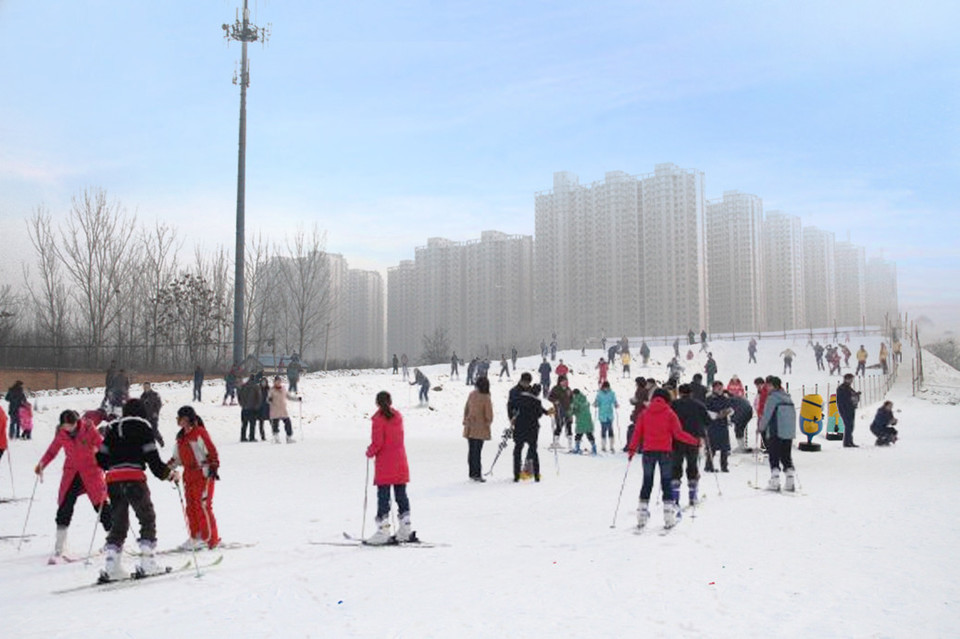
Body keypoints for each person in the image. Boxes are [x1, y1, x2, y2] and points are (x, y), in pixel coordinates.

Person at [96, 398, 179, 582]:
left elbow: (100, 459)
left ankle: (112, 566)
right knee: (147, 518)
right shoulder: (144, 427)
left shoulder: (112, 428)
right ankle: (147, 562)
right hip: (134, 479)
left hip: (113, 481)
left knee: (118, 523)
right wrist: (170, 474)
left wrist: (115, 462)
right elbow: (153, 460)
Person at [35, 409, 112, 563]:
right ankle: (60, 545)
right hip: (72, 473)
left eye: (70, 425)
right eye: (65, 426)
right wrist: (42, 464)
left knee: (100, 505)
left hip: (91, 471)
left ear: (76, 422)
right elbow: (52, 451)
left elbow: (102, 446)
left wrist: (108, 461)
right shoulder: (61, 434)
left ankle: (114, 538)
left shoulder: (88, 430)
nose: (68, 428)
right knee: (65, 504)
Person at [627, 388, 699, 529]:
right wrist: (694, 441)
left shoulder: (644, 413)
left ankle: (641, 514)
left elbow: (637, 433)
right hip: (665, 452)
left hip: (648, 452)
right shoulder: (670, 413)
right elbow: (678, 434)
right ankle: (668, 516)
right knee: (666, 483)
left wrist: (631, 449)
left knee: (647, 482)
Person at [167, 406, 220, 550]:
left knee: (202, 506)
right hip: (188, 475)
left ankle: (209, 538)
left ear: (186, 418)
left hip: (202, 473)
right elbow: (177, 458)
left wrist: (213, 466)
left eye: (179, 417)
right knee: (191, 507)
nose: (177, 420)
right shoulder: (181, 437)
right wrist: (166, 469)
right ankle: (195, 536)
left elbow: (211, 451)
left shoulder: (199, 433)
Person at [365, 391, 413, 545]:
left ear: (377, 403)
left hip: (385, 464)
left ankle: (383, 531)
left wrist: (370, 451)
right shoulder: (397, 416)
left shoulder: (378, 419)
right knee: (401, 495)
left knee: (383, 497)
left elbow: (378, 443)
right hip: (400, 461)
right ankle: (406, 529)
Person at [670, 384, 709, 507]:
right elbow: (708, 421)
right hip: (693, 440)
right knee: (692, 466)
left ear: (680, 393)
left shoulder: (674, 405)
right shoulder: (699, 405)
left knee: (676, 467)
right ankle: (693, 496)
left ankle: (675, 497)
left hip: (676, 440)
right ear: (691, 393)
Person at [759, 377, 797, 491]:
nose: (767, 388)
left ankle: (774, 481)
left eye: (769, 386)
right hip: (788, 432)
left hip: (776, 431)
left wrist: (761, 427)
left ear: (774, 386)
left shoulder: (772, 398)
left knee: (774, 455)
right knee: (786, 456)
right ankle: (790, 481)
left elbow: (767, 415)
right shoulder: (787, 397)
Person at [508, 382, 551, 482]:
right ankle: (536, 475)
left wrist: (511, 417)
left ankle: (516, 475)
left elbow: (511, 405)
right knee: (533, 451)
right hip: (532, 429)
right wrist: (546, 412)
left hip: (519, 427)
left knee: (517, 450)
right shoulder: (537, 402)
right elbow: (539, 414)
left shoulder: (520, 398)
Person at [462, 376, 493, 482]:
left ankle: (472, 473)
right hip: (480, 428)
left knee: (471, 451)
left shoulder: (472, 394)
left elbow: (466, 408)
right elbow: (489, 414)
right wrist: (488, 423)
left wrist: (465, 420)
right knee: (477, 452)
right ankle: (477, 474)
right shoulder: (486, 397)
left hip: (470, 426)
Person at [704, 381, 733, 472]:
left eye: (721, 387)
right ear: (713, 388)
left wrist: (727, 412)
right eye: (717, 387)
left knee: (724, 448)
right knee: (711, 447)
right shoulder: (709, 399)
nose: (720, 389)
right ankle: (709, 465)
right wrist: (716, 415)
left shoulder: (725, 398)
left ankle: (724, 466)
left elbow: (731, 409)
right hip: (713, 425)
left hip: (723, 425)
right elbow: (706, 411)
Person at [268, 376, 300, 443]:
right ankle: (276, 438)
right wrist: (269, 399)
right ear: (274, 382)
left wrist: (297, 399)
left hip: (283, 410)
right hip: (275, 410)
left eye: (280, 381)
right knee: (275, 425)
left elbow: (289, 397)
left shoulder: (283, 389)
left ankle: (289, 437)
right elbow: (268, 399)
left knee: (288, 423)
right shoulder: (272, 390)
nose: (279, 383)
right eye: (277, 381)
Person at [548, 376, 573, 450]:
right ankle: (555, 442)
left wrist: (572, 403)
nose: (565, 382)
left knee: (569, 425)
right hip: (559, 409)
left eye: (566, 381)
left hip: (568, 410)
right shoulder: (555, 389)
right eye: (563, 381)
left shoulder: (568, 389)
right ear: (560, 381)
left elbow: (571, 398)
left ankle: (570, 445)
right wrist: (555, 401)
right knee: (559, 425)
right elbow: (550, 397)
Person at [836, 373, 861, 448]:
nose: (851, 381)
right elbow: (844, 399)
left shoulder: (848, 388)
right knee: (848, 425)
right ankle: (847, 442)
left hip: (850, 408)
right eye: (850, 379)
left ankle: (849, 441)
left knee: (851, 425)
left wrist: (856, 394)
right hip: (845, 409)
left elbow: (851, 395)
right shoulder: (842, 388)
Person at [593, 381, 619, 452]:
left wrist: (616, 404)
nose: (606, 389)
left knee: (610, 429)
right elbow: (597, 401)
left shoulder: (612, 393)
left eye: (607, 387)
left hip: (609, 414)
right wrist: (595, 403)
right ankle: (603, 446)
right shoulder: (599, 394)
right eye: (605, 388)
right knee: (603, 430)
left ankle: (611, 446)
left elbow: (614, 400)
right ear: (603, 387)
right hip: (602, 415)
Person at [570, 389, 597, 455]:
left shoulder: (575, 400)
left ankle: (577, 448)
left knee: (578, 434)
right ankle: (594, 447)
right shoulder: (584, 399)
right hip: (588, 419)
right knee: (589, 434)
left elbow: (574, 409)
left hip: (580, 420)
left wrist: (570, 412)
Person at [238, 376, 263, 442]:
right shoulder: (256, 387)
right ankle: (251, 437)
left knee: (244, 424)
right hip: (253, 408)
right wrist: (257, 407)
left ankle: (243, 437)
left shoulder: (243, 387)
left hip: (244, 408)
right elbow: (259, 397)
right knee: (252, 424)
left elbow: (239, 397)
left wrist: (242, 405)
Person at [140, 382, 164, 447]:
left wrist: (156, 412)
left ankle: (161, 441)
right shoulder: (142, 396)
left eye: (147, 387)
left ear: (150, 387)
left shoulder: (155, 394)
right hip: (145, 416)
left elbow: (159, 405)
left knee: (154, 431)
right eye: (144, 387)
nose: (146, 388)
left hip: (153, 416)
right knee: (144, 431)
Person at [257, 377, 271, 441]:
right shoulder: (258, 389)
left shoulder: (269, 389)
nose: (263, 383)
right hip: (260, 408)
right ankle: (262, 436)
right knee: (261, 423)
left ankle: (274, 434)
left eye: (264, 382)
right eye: (262, 382)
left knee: (272, 422)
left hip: (268, 407)